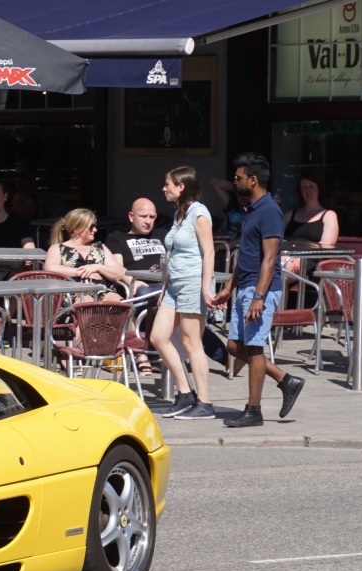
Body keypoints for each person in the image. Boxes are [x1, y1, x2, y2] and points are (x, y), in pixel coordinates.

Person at [209, 153, 305, 428]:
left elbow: (270, 258)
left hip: (260, 290)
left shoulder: (269, 211)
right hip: (246, 287)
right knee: (234, 346)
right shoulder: (251, 210)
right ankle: (287, 381)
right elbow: (246, 255)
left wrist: (259, 297)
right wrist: (229, 287)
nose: (234, 181)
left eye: (238, 177)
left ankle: (254, 410)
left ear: (252, 180)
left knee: (253, 349)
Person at [106, 196, 229, 374]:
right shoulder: (117, 238)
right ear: (131, 217)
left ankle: (225, 358)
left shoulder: (164, 235)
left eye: (152, 217)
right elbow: (117, 267)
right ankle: (221, 357)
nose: (148, 221)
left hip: (170, 285)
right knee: (176, 307)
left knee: (191, 310)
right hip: (143, 288)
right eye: (143, 216)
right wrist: (132, 282)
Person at [152, 167, 217, 420]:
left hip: (192, 281)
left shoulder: (199, 213)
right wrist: (165, 284)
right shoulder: (179, 214)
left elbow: (209, 252)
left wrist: (205, 286)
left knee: (192, 342)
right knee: (158, 336)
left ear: (182, 186)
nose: (164, 188)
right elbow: (173, 255)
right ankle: (185, 393)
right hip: (174, 284)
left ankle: (205, 402)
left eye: (167, 184)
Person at [43, 208, 126, 301]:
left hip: (102, 291)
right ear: (76, 229)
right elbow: (50, 268)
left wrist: (97, 267)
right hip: (72, 293)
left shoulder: (100, 248)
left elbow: (118, 273)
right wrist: (82, 272)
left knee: (123, 305)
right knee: (86, 302)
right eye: (91, 227)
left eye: (95, 226)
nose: (95, 230)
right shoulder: (58, 248)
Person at [282, 171, 339, 273]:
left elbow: (326, 245)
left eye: (311, 186)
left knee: (280, 273)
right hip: (287, 258)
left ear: (318, 189)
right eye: (304, 187)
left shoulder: (329, 215)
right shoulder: (289, 215)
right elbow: (275, 238)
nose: (308, 190)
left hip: (313, 261)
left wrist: (301, 257)